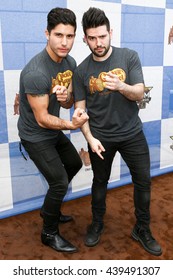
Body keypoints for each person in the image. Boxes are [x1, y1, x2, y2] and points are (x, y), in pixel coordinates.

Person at [73, 7, 162, 256]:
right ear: (85, 39)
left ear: (110, 32)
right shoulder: (81, 71)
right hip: (101, 138)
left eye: (102, 36)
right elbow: (80, 110)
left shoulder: (129, 56)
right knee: (99, 182)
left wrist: (121, 85)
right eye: (92, 38)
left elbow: (139, 92)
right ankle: (97, 223)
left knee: (143, 181)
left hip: (132, 133)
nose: (98, 43)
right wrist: (89, 138)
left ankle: (142, 228)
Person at [17, 7, 89, 253]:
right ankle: (48, 232)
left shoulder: (69, 63)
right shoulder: (36, 72)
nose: (64, 42)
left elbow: (67, 103)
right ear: (46, 34)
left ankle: (50, 209)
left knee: (74, 164)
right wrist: (70, 124)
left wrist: (67, 96)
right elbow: (42, 118)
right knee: (59, 182)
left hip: (51, 130)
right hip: (36, 134)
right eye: (58, 35)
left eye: (69, 36)